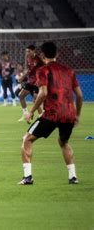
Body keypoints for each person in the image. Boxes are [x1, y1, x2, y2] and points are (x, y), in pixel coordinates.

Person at [19, 41, 83, 185]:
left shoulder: (43, 70)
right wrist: (77, 115)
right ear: (57, 54)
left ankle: (28, 177)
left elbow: (43, 93)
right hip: (69, 114)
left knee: (27, 139)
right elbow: (79, 96)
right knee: (64, 142)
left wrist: (31, 111)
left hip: (52, 113)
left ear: (42, 55)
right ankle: (73, 177)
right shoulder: (69, 71)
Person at [18, 45, 44, 122]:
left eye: (29, 51)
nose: (27, 53)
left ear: (33, 51)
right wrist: (22, 77)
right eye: (26, 51)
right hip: (30, 81)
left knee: (36, 101)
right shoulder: (28, 58)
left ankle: (41, 117)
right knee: (21, 95)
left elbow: (45, 70)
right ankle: (25, 114)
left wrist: (40, 80)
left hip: (37, 82)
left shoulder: (39, 59)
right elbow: (29, 70)